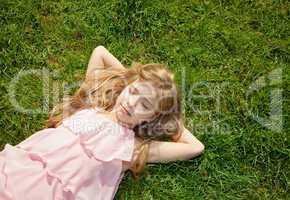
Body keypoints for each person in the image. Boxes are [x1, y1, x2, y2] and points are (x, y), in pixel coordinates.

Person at [0, 46, 205, 200]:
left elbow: (195, 147)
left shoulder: (132, 148)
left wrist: (168, 114)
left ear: (151, 116)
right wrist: (133, 79)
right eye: (133, 92)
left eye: (144, 104)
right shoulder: (92, 103)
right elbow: (100, 52)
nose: (132, 103)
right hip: (16, 170)